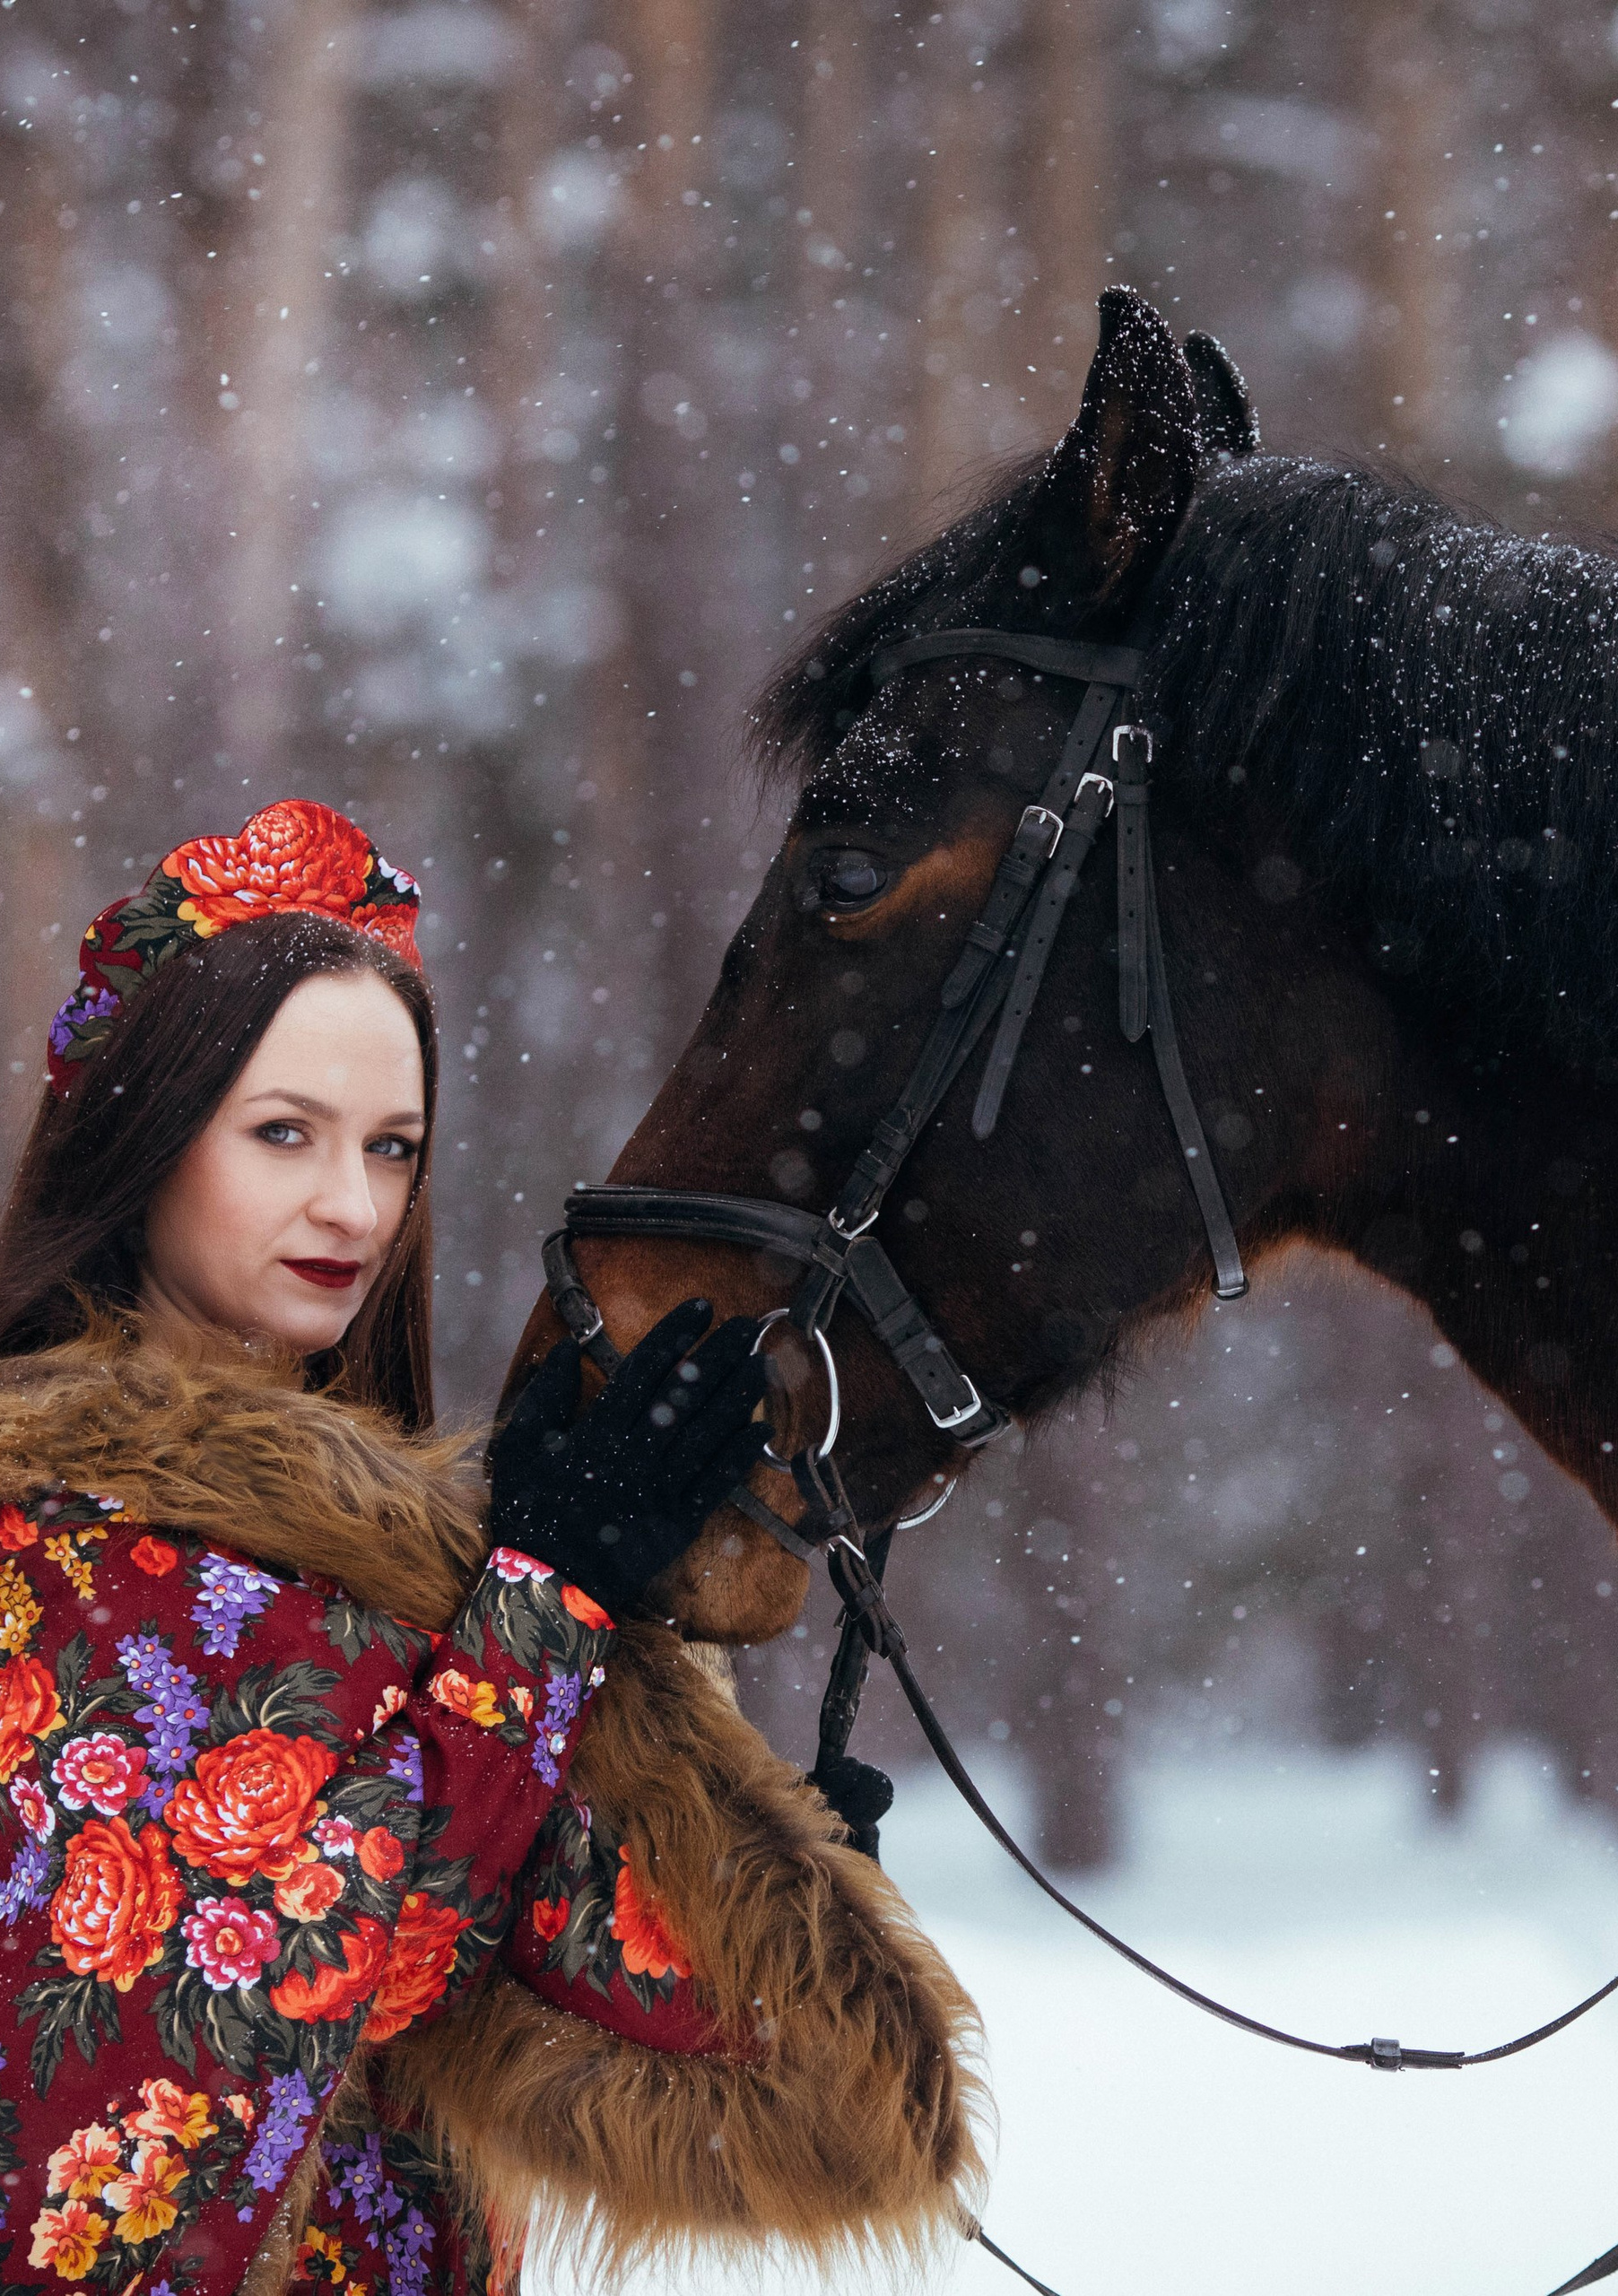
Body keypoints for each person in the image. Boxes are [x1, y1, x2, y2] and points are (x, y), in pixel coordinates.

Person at [0, 802, 981, 2293]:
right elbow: (262, 1993)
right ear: (141, 1139)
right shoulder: (55, 1550)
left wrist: (745, 1853)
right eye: (284, 1134)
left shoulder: (385, 1563)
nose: (352, 1206)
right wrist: (546, 1606)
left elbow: (737, 2067)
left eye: (392, 1147)